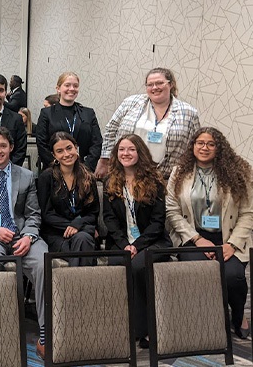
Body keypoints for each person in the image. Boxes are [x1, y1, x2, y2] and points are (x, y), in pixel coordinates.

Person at [166, 127, 253, 339]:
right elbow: (172, 210)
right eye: (200, 143)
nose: (204, 148)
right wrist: (196, 239)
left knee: (233, 277)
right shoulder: (179, 173)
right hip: (194, 236)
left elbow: (247, 213)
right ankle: (205, 319)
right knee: (197, 273)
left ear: (219, 147)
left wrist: (231, 244)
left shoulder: (239, 172)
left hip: (228, 238)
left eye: (210, 144)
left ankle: (239, 314)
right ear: (193, 146)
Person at [0, 127, 48, 360]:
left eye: (2, 146)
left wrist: (28, 236)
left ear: (11, 148)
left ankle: (46, 332)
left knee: (44, 263)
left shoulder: (26, 176)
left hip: (23, 234)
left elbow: (34, 214)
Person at [102, 134, 171, 349]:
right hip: (121, 243)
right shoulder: (110, 181)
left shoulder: (154, 181)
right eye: (121, 149)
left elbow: (158, 223)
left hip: (153, 242)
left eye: (131, 149)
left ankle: (146, 329)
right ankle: (122, 325)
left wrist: (137, 245)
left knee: (139, 267)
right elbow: (109, 220)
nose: (126, 153)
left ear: (140, 152)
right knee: (117, 267)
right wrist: (125, 244)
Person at [95, 68, 200, 180]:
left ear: (171, 85)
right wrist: (105, 159)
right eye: (150, 84)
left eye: (159, 83)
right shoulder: (130, 103)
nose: (154, 87)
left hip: (165, 178)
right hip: (127, 174)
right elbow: (111, 129)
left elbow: (195, 146)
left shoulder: (188, 112)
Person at [37, 132, 99, 266]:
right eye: (60, 151)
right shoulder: (46, 177)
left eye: (69, 148)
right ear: (54, 155)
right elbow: (46, 214)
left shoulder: (88, 176)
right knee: (84, 241)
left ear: (76, 148)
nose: (66, 154)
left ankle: (75, 284)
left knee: (82, 239)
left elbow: (93, 212)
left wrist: (78, 225)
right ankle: (86, 284)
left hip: (82, 230)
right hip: (57, 234)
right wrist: (72, 226)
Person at [36, 72, 102, 171]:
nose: (71, 89)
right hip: (55, 171)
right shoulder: (47, 113)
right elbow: (41, 143)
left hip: (83, 170)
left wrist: (86, 167)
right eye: (67, 85)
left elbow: (96, 143)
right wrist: (58, 166)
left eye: (75, 86)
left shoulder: (89, 113)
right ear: (58, 89)